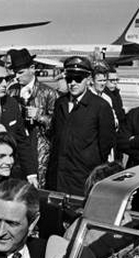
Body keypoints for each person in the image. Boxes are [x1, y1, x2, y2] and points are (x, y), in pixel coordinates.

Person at [46, 56, 116, 196]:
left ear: (88, 79)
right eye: (69, 79)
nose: (73, 83)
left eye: (78, 79)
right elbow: (55, 136)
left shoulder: (100, 106)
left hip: (82, 179)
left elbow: (105, 145)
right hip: (57, 179)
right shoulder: (61, 103)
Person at [7, 49, 58, 189]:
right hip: (16, 150)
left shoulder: (48, 93)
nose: (17, 77)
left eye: (20, 72)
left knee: (36, 191)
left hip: (40, 151)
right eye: (15, 72)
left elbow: (57, 125)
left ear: (32, 69)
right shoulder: (11, 92)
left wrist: (39, 116)